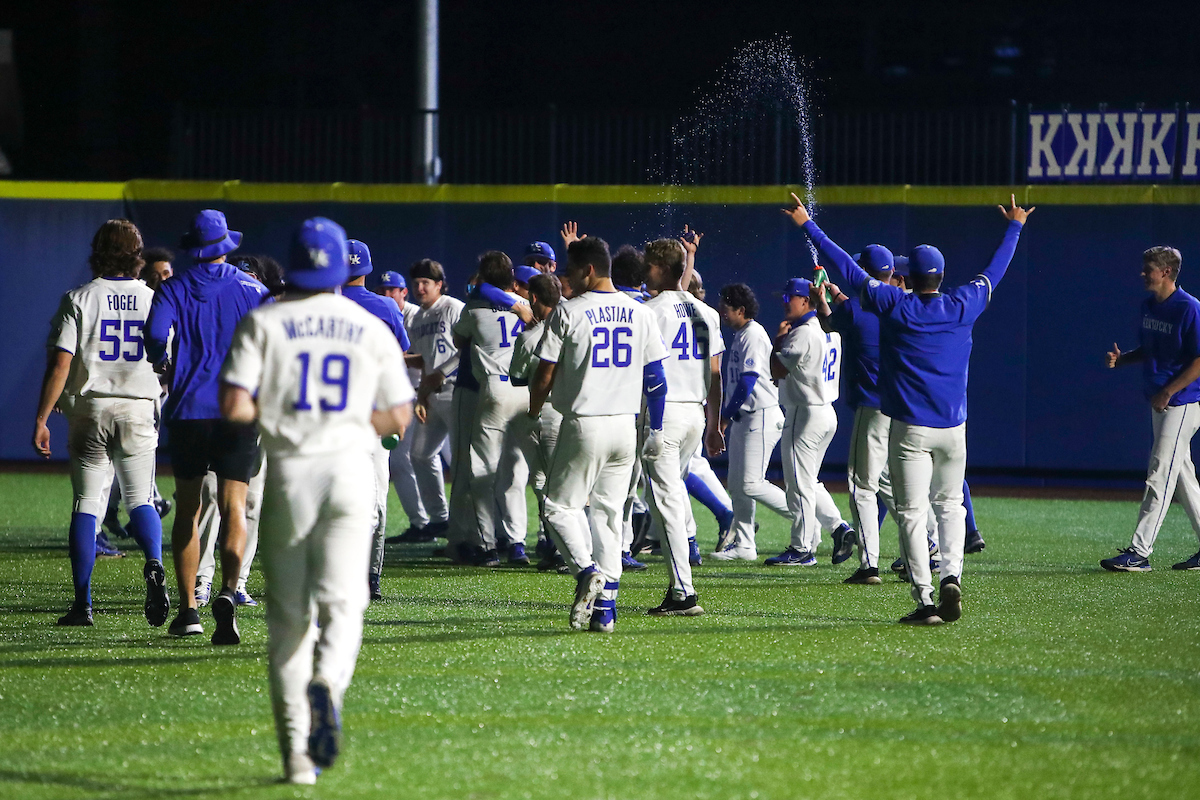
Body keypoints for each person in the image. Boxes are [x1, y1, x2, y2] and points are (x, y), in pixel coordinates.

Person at [219, 216, 413, 785]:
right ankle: (329, 683)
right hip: (351, 468)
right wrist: (353, 422)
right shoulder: (368, 323)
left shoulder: (265, 320)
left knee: (288, 623)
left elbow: (233, 405)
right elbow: (399, 414)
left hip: (292, 472)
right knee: (345, 604)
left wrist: (282, 418)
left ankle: (297, 760)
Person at [788, 192, 1030, 625]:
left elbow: (847, 268)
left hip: (910, 431)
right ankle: (951, 574)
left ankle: (925, 600)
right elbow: (996, 270)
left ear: (908, 275)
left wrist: (809, 225)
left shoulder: (895, 304)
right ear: (939, 275)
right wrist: (1014, 226)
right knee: (950, 506)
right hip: (955, 430)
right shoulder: (962, 304)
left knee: (913, 513)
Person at [33, 219, 170, 628]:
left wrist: (42, 416)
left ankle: (83, 604)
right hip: (138, 407)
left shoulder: (79, 298)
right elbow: (168, 360)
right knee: (141, 497)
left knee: (86, 503)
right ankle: (154, 564)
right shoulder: (155, 299)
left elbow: (61, 363)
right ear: (137, 254)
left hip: (91, 409)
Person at [529, 236, 669, 632]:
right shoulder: (641, 312)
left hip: (584, 424)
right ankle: (605, 612)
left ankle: (586, 570)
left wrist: (535, 408)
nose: (566, 278)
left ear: (589, 270)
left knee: (558, 507)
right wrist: (654, 428)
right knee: (608, 517)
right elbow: (656, 379)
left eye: (572, 270)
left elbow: (544, 373)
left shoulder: (570, 311)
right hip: (625, 427)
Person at [146, 209, 268, 643]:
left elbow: (157, 338)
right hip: (239, 411)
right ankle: (231, 593)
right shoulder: (254, 288)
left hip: (189, 411)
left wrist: (161, 358)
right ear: (226, 245)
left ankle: (189, 609)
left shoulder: (173, 288)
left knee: (190, 509)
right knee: (236, 506)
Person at [1103, 246, 1200, 572]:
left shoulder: (1189, 308)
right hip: (1161, 400)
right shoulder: (1149, 306)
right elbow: (1151, 349)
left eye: (1149, 269)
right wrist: (1123, 359)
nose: (1143, 274)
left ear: (1167, 273)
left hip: (1183, 402)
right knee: (1183, 476)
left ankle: (1139, 551)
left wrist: (1169, 391)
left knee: (1159, 473)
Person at [640, 237, 724, 615]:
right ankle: (681, 586)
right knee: (671, 500)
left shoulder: (650, 311)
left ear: (661, 268)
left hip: (665, 415)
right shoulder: (707, 312)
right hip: (694, 412)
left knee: (667, 503)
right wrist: (713, 423)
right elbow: (716, 374)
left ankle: (683, 593)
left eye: (651, 262)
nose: (645, 267)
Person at [452, 252, 533, 564]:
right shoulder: (526, 304)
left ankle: (487, 547)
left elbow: (459, 341)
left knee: (483, 470)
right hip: (526, 391)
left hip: (495, 391)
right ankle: (521, 544)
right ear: (512, 280)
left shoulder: (474, 306)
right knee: (524, 471)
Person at [342, 239, 410, 599]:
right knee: (377, 501)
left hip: (330, 417)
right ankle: (370, 578)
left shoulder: (323, 306)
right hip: (374, 417)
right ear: (367, 269)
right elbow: (398, 357)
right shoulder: (384, 305)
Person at [825, 246, 896, 584]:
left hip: (872, 406)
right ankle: (931, 546)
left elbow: (830, 321)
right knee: (887, 483)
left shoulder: (855, 309)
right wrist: (836, 294)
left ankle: (869, 564)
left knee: (861, 485)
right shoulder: (902, 305)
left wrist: (822, 296)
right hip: (904, 406)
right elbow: (851, 310)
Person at [765, 277, 845, 567]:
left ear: (806, 301)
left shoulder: (802, 333)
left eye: (791, 297)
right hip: (825, 412)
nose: (785, 302)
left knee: (798, 484)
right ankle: (839, 528)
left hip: (805, 412)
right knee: (808, 481)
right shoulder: (829, 331)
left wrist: (778, 340)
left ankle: (802, 548)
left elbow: (777, 369)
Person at [711, 283, 791, 561]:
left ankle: (805, 520)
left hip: (761, 414)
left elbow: (748, 382)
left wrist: (723, 418)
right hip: (744, 418)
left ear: (741, 310)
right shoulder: (742, 334)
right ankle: (744, 545)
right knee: (736, 484)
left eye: (726, 309)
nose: (723, 313)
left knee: (750, 484)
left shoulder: (754, 334)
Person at [509, 273, 568, 572]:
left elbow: (518, 379)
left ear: (533, 298)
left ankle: (559, 548)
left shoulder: (529, 337)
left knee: (546, 482)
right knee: (572, 484)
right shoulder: (577, 325)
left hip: (548, 412)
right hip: (580, 412)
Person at [376, 270, 438, 542]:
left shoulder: (419, 314)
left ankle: (442, 522)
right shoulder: (383, 312)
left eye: (394, 289)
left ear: (404, 293)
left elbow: (427, 357)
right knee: (404, 462)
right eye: (385, 290)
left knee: (449, 461)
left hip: (432, 393)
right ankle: (423, 523)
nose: (389, 294)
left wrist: (396, 357)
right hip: (410, 397)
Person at [405, 260, 462, 542]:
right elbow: (424, 361)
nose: (420, 287)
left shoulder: (452, 307)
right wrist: (421, 396)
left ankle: (474, 528)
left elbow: (470, 347)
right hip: (432, 394)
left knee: (464, 462)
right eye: (416, 282)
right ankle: (440, 519)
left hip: (456, 391)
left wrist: (442, 372)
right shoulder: (416, 318)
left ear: (439, 284)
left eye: (426, 282)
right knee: (420, 454)